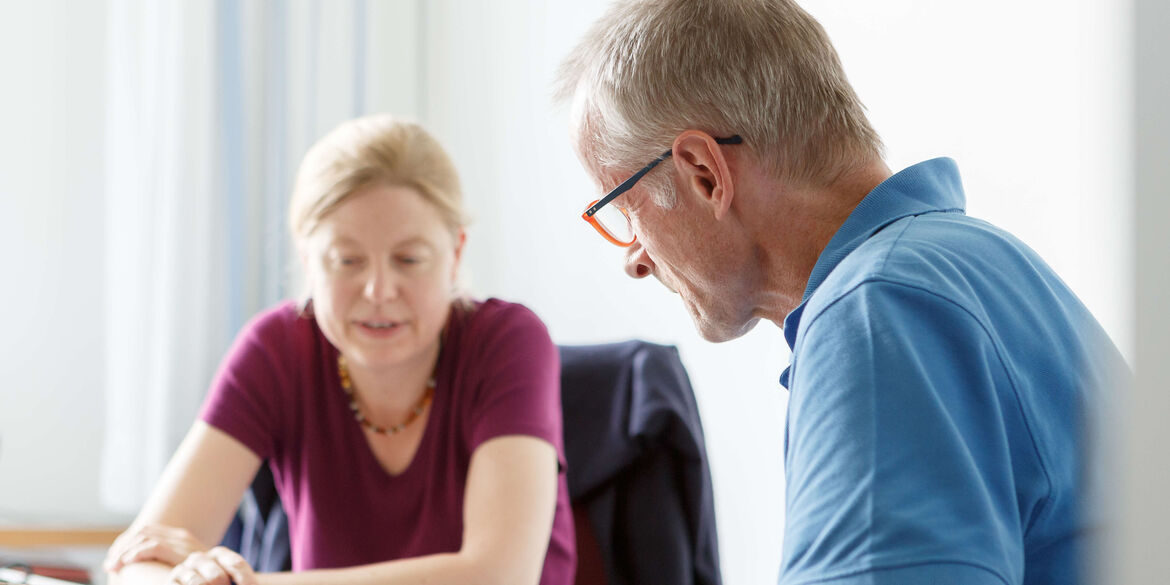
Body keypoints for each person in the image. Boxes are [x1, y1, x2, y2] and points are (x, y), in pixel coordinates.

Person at [556, 1, 1125, 584]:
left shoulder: (879, 312)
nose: (635, 259)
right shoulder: (980, 268)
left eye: (625, 210)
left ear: (704, 172)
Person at [103, 114, 576, 585]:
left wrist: (241, 584)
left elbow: (497, 577)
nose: (378, 290)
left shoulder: (509, 341)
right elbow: (140, 558)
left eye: (409, 260)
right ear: (309, 262)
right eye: (346, 261)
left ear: (455, 255)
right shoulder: (276, 350)